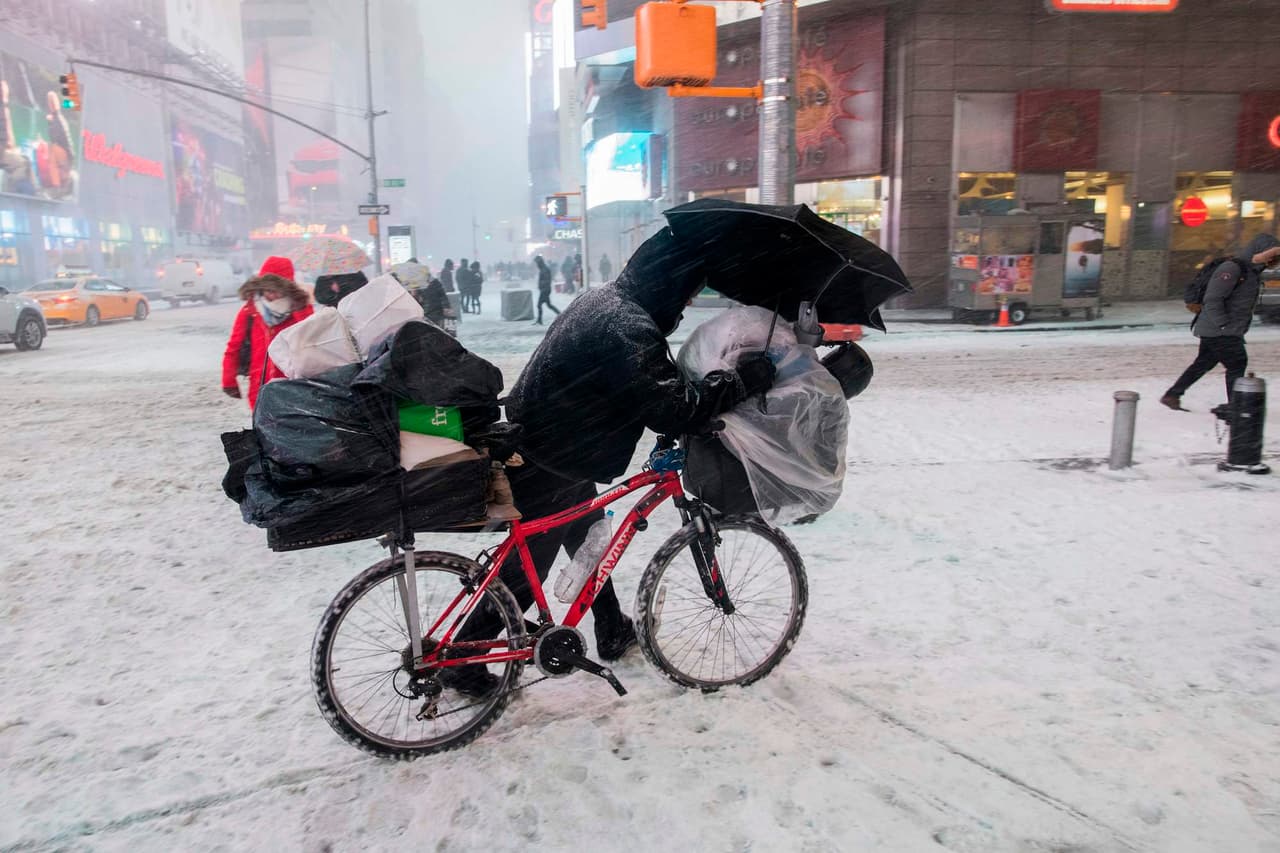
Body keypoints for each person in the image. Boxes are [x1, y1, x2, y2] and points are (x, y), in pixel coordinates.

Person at [442, 228, 777, 696]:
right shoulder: (628, 326)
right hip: (551, 458)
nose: (680, 313)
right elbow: (672, 406)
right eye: (682, 299)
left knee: (589, 544)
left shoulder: (604, 301)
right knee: (527, 573)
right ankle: (461, 659)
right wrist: (741, 382)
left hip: (553, 447)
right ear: (666, 286)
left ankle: (612, 629)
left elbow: (634, 386)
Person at [1161, 233, 1278, 413]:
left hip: (1224, 328)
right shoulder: (1233, 268)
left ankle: (1173, 394)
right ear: (1259, 252)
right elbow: (1213, 299)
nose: (1273, 260)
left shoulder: (1252, 272)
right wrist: (1223, 324)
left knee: (1204, 362)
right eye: (1270, 255)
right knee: (1237, 363)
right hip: (1221, 329)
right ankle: (1236, 407)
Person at [221, 256, 314, 409]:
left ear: (288, 289)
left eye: (278, 290)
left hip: (294, 385)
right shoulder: (249, 312)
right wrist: (228, 380)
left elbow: (312, 341)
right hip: (260, 385)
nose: (272, 295)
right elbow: (234, 347)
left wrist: (299, 309)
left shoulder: (301, 309)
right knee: (264, 429)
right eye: (268, 289)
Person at [533, 255, 558, 325]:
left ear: (539, 262)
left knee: (539, 305)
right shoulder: (543, 269)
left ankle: (540, 320)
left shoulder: (545, 269)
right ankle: (560, 315)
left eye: (537, 263)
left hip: (545, 290)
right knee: (549, 305)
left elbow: (547, 280)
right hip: (544, 289)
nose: (536, 264)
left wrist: (541, 286)